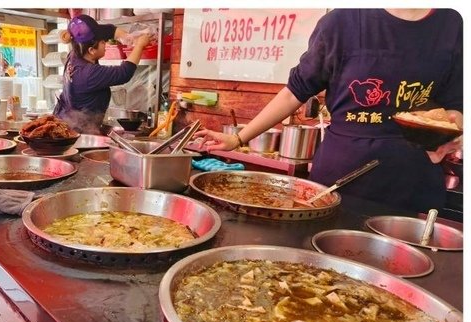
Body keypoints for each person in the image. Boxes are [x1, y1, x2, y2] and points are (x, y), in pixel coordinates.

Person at [196, 9, 463, 213]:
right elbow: (294, 92)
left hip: (412, 179)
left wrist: (452, 132)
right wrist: (238, 138)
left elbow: (455, 105)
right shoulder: (343, 22)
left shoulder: (454, 24)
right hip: (342, 177)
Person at [53, 14, 156, 135]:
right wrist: (139, 45)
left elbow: (108, 30)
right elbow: (124, 73)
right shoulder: (88, 73)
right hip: (77, 134)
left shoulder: (77, 51)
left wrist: (127, 37)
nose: (105, 42)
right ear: (91, 50)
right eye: (102, 42)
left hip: (65, 123)